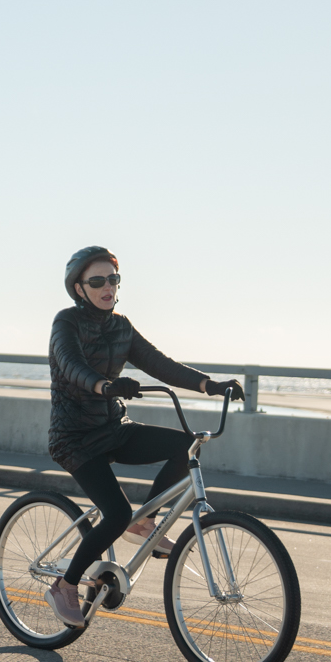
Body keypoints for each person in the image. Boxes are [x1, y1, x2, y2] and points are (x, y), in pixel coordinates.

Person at [45, 246, 242, 628]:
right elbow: (71, 365)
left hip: (113, 428)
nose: (107, 287)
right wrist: (105, 386)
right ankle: (65, 586)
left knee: (185, 447)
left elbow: (158, 363)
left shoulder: (121, 326)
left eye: (113, 279)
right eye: (97, 281)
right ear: (79, 288)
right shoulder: (66, 322)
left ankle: (144, 522)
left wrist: (210, 385)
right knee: (117, 513)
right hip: (74, 438)